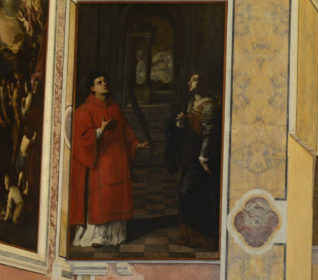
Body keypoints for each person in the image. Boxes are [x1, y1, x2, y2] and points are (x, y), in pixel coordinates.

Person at [68, 71, 151, 248]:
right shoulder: (84, 110)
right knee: (101, 197)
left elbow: (126, 131)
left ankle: (116, 235)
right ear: (92, 88)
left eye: (105, 81)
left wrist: (136, 144)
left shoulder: (115, 108)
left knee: (115, 196)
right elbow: (82, 138)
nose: (104, 84)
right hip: (100, 162)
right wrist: (100, 131)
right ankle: (97, 237)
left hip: (118, 160)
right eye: (99, 82)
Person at [165, 69, 221, 249]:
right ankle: (188, 237)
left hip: (200, 158)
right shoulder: (191, 103)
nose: (190, 83)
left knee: (191, 194)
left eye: (195, 80)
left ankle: (202, 237)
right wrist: (181, 123)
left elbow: (209, 134)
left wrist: (204, 156)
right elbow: (186, 130)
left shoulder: (209, 106)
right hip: (188, 156)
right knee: (186, 195)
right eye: (190, 79)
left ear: (203, 83)